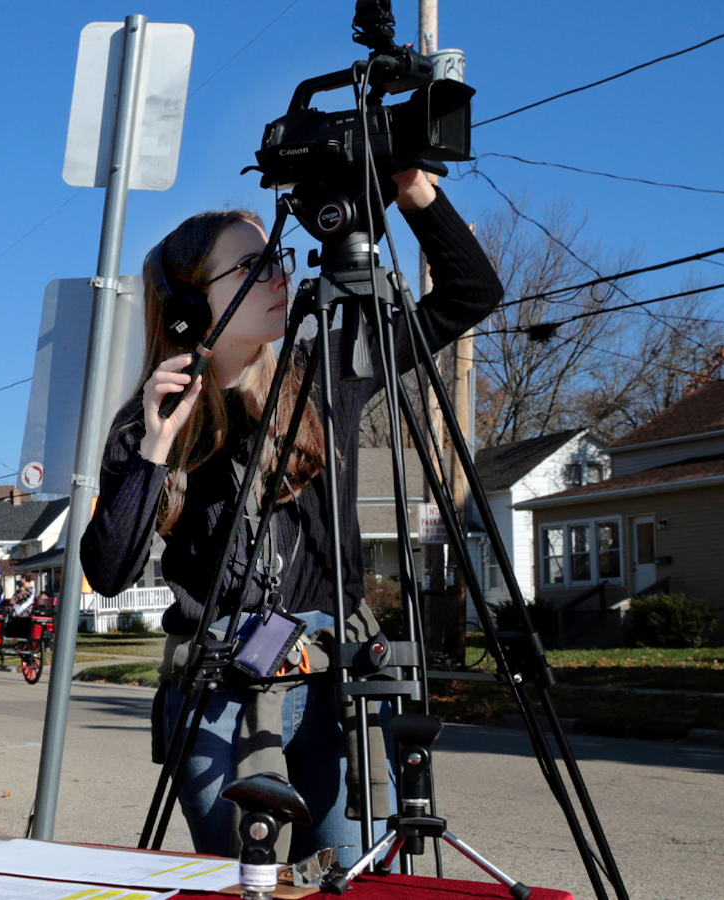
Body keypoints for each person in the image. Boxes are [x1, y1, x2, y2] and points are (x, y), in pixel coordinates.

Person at [80, 168, 501, 864]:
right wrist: (156, 448)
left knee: (356, 879)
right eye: (253, 265)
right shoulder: (150, 421)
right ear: (188, 304)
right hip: (222, 688)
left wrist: (413, 191)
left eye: (277, 258)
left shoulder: (324, 372)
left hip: (336, 677)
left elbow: (471, 294)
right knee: (247, 884)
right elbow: (110, 571)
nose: (279, 274)